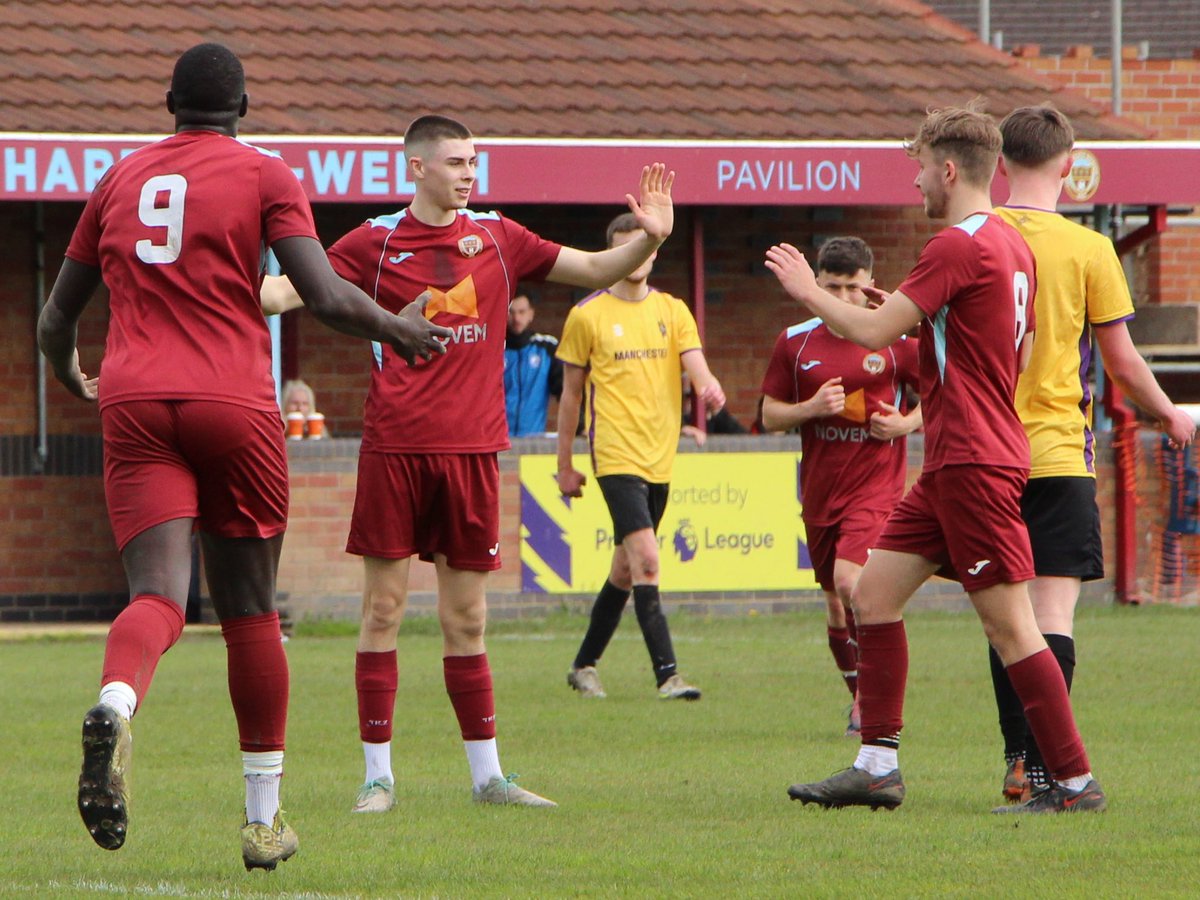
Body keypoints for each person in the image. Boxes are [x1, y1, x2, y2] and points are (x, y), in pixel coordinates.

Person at [36, 43, 449, 871]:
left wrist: (71, 372)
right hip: (233, 401)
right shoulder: (266, 174)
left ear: (167, 104)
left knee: (157, 595)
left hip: (134, 399)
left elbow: (54, 321)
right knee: (251, 610)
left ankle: (116, 705)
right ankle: (263, 822)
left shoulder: (118, 180)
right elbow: (325, 295)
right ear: (245, 107)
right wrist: (402, 328)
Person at [260, 115, 680, 813]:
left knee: (468, 620)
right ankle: (377, 778)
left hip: (474, 455)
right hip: (394, 449)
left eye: (473, 161)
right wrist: (238, 258)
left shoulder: (498, 236)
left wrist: (652, 236)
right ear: (416, 168)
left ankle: (488, 777)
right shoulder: (375, 240)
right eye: (455, 161)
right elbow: (282, 294)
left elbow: (594, 268)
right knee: (384, 610)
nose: (468, 172)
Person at [767, 103, 1107, 814]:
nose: (916, 182)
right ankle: (876, 765)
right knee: (874, 594)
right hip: (958, 456)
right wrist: (929, 322)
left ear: (949, 170)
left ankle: (1074, 782)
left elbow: (866, 330)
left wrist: (805, 291)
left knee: (1012, 625)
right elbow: (970, 354)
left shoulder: (958, 247)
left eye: (920, 167)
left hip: (975, 461)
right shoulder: (1013, 246)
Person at [988, 104, 1197, 802]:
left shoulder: (974, 236)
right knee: (1052, 619)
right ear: (1070, 168)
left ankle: (1019, 762)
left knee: (1004, 616)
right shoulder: (1089, 250)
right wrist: (1168, 411)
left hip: (985, 454)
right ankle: (1049, 767)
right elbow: (1121, 361)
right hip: (1057, 454)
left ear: (998, 165)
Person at [557, 211, 726, 702]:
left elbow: (696, 365)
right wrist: (564, 464)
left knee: (626, 570)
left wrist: (709, 387)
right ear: (613, 255)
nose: (637, 257)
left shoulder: (672, 310)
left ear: (654, 253)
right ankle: (668, 675)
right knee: (648, 560)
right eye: (626, 248)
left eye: (645, 247)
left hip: (660, 456)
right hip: (613, 455)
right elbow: (571, 397)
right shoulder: (586, 315)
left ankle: (584, 664)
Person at [759, 236, 921, 736]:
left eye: (855, 287)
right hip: (822, 493)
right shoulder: (796, 341)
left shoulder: (895, 340)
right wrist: (810, 409)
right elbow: (768, 416)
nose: (847, 298)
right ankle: (859, 696)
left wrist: (906, 424)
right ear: (815, 285)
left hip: (877, 489)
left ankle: (872, 707)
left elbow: (946, 393)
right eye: (834, 287)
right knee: (834, 601)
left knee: (855, 584)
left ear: (870, 283)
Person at [504, 291, 562, 437]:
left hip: (533, 444)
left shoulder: (546, 347)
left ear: (531, 314)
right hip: (498, 443)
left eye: (522, 312)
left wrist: (579, 426)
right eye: (511, 312)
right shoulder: (492, 349)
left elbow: (567, 391)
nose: (516, 318)